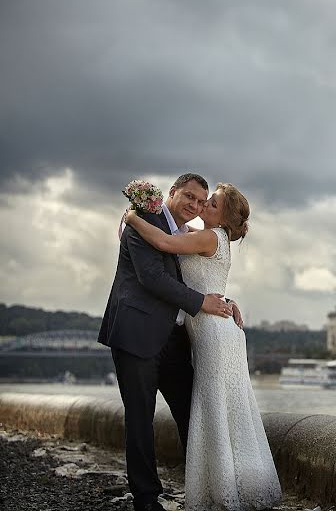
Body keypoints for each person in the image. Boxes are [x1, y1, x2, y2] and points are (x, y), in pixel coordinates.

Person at [124, 182, 281, 511]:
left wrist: (132, 216)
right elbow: (176, 276)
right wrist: (223, 299)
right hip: (201, 329)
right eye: (198, 199)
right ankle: (224, 485)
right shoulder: (207, 235)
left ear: (222, 216)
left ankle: (221, 489)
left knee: (209, 409)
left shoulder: (207, 236)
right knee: (222, 409)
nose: (201, 205)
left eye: (209, 203)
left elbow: (167, 245)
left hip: (207, 331)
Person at [99, 173, 233, 511]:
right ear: (172, 192)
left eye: (202, 202)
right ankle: (146, 498)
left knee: (193, 411)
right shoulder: (145, 219)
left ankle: (204, 488)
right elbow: (151, 277)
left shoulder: (186, 233)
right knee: (140, 418)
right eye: (189, 196)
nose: (195, 205)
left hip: (175, 339)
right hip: (137, 334)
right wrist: (202, 303)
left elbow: (197, 277)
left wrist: (224, 302)